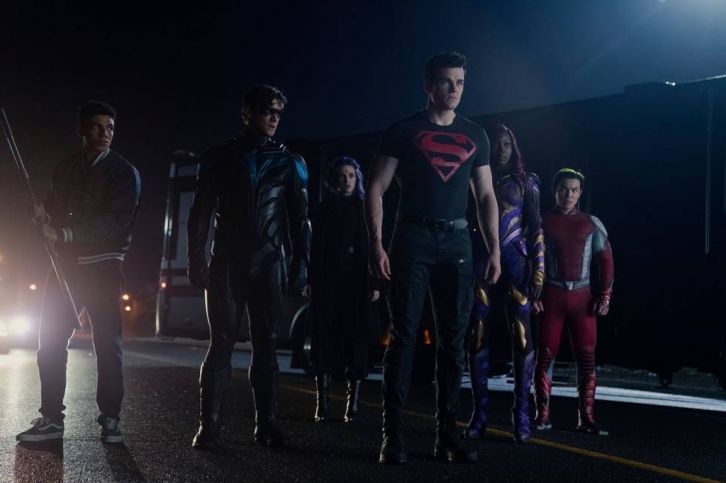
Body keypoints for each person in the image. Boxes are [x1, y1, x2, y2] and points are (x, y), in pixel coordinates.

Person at [367, 52, 501, 464]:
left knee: (453, 341)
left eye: (460, 81)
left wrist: (493, 247)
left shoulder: (476, 134)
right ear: (428, 85)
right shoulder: (403, 130)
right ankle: (393, 437)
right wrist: (377, 244)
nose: (454, 89)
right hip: (413, 238)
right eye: (445, 81)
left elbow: (485, 195)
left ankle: (447, 436)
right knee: (404, 337)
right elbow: (375, 188)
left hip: (458, 242)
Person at [187, 84, 311, 449]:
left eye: (278, 112)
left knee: (268, 345)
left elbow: (301, 219)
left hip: (270, 261)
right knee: (221, 342)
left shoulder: (291, 162)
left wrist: (302, 265)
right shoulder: (219, 157)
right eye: (266, 110)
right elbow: (200, 212)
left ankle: (267, 424)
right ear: (247, 113)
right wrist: (196, 256)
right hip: (228, 261)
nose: (274, 118)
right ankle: (209, 426)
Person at [16, 100, 141, 444]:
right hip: (64, 268)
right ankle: (51, 418)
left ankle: (111, 419)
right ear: (82, 130)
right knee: (50, 343)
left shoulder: (123, 171)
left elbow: (115, 222)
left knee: (108, 344)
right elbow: (56, 210)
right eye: (97, 127)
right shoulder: (65, 168)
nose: (105, 134)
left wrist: (64, 234)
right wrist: (42, 212)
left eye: (111, 128)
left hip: (104, 268)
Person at [463, 124, 544, 443]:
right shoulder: (474, 178)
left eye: (506, 143)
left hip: (516, 265)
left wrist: (538, 269)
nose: (500, 148)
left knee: (521, 337)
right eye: (496, 143)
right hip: (481, 263)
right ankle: (479, 416)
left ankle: (522, 415)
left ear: (514, 147)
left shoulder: (526, 182)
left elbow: (536, 227)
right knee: (477, 334)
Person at [533, 168, 614, 435]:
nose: (569, 194)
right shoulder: (540, 222)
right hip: (551, 296)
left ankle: (587, 418)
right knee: (545, 357)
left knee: (587, 358)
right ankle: (541, 415)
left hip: (583, 299)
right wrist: (530, 294)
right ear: (554, 191)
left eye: (574, 189)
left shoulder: (592, 223)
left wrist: (605, 296)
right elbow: (526, 259)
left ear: (580, 192)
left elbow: (606, 261)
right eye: (563, 189)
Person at [307, 156, 380, 423]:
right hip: (328, 278)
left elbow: (373, 248)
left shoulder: (364, 208)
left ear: (357, 178)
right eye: (342, 175)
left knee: (356, 338)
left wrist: (374, 284)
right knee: (323, 337)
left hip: (356, 279)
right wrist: (310, 280)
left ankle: (353, 404)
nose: (347, 180)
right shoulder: (324, 208)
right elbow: (315, 248)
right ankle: (322, 402)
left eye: (351, 175)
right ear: (334, 180)